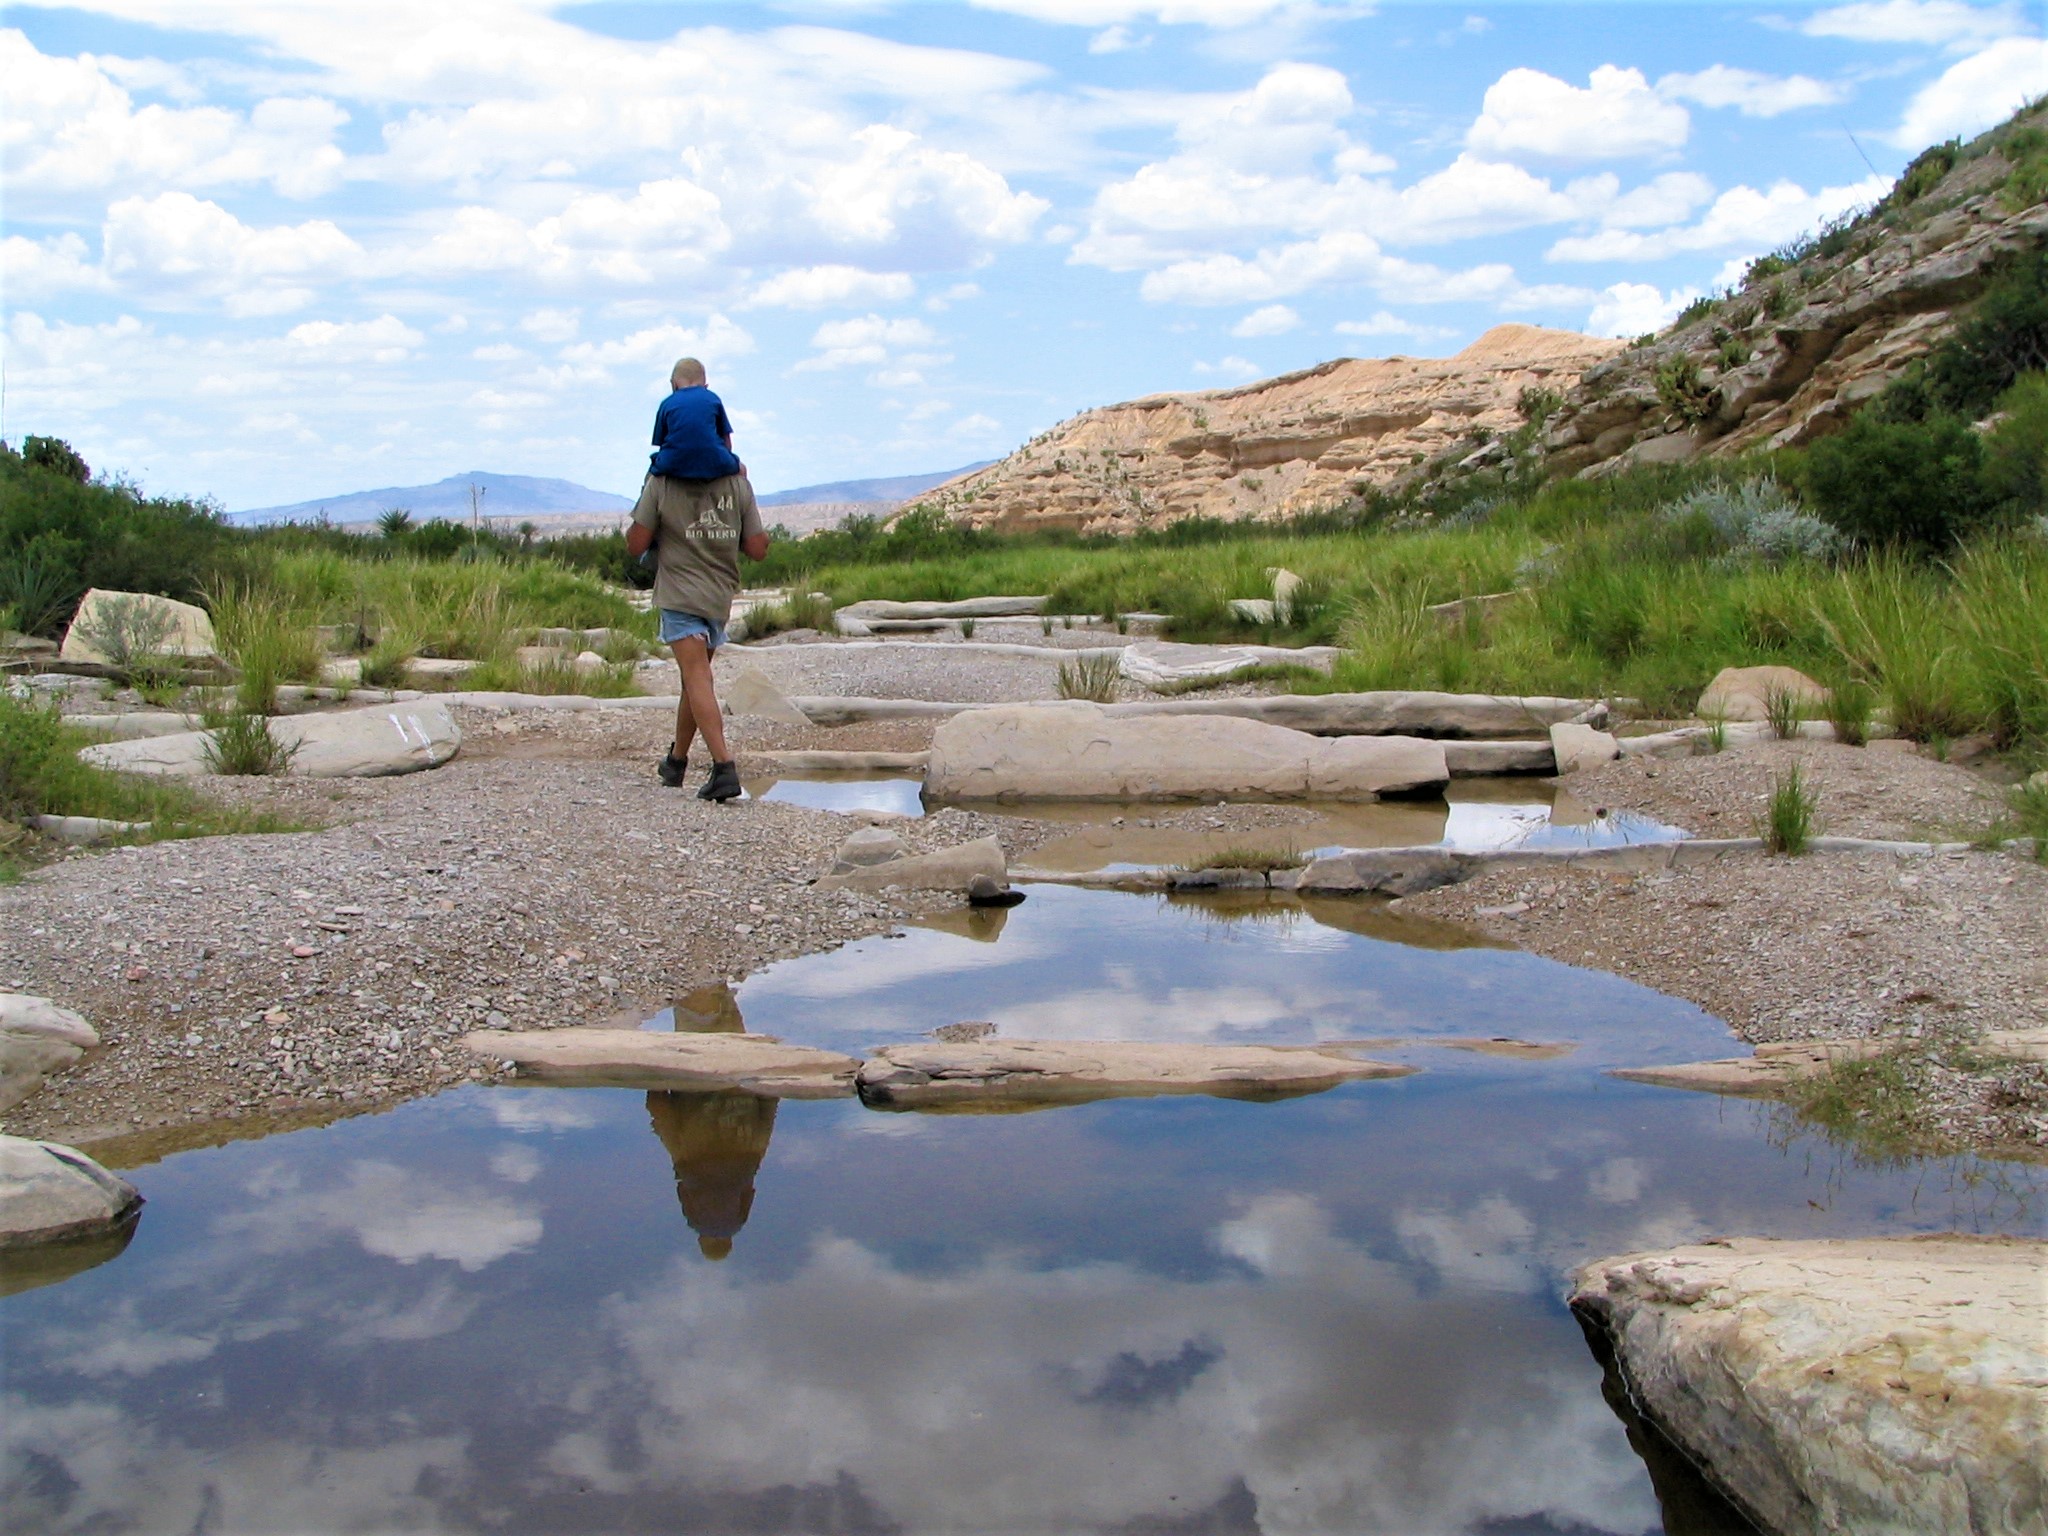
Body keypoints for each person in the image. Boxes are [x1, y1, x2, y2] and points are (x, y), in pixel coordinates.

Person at [625, 358, 768, 802]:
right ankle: (677, 762)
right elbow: (758, 548)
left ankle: (725, 768)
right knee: (696, 677)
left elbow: (636, 544)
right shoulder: (738, 484)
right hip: (719, 595)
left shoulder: (662, 483)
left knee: (697, 678)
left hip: (680, 593)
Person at [649, 356, 744, 482]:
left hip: (674, 462)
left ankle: (646, 500)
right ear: (705, 386)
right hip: (714, 460)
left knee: (650, 477)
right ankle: (742, 500)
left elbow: (661, 443)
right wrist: (726, 461)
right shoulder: (713, 399)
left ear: (674, 384)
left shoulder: (667, 403)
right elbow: (726, 439)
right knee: (742, 469)